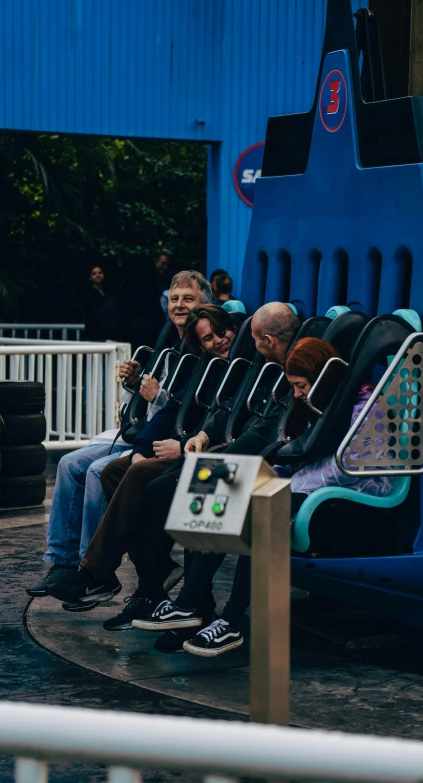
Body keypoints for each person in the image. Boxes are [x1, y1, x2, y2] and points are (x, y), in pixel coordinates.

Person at [46, 303, 299, 635]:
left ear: (260, 337)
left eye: (223, 333)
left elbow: (265, 425)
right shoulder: (246, 363)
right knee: (120, 476)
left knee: (164, 489)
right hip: (214, 447)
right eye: (208, 338)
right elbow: (229, 409)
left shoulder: (278, 367)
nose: (220, 341)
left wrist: (203, 448)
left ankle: (195, 603)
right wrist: (201, 436)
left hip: (249, 458)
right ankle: (155, 585)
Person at [173, 337, 400, 657]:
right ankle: (191, 599)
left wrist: (279, 481)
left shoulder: (366, 408)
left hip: (351, 500)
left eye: (301, 385)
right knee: (221, 488)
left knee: (260, 508)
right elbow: (297, 453)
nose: (297, 393)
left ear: (322, 379)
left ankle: (232, 622)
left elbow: (345, 470)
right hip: (313, 489)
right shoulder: (321, 404)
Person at [26, 270, 212, 599]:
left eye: (188, 299)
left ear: (205, 304)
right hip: (139, 432)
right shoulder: (166, 340)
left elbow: (181, 408)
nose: (180, 305)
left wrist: (157, 397)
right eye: (174, 299)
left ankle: (92, 570)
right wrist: (134, 382)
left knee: (99, 471)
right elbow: (150, 404)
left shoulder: (202, 348)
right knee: (69, 464)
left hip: (162, 440)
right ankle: (63, 563)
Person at [84, 265, 108, 341]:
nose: (98, 275)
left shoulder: (107, 292)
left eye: (100, 273)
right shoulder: (87, 294)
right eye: (94, 274)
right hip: (93, 332)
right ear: (90, 278)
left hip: (106, 331)